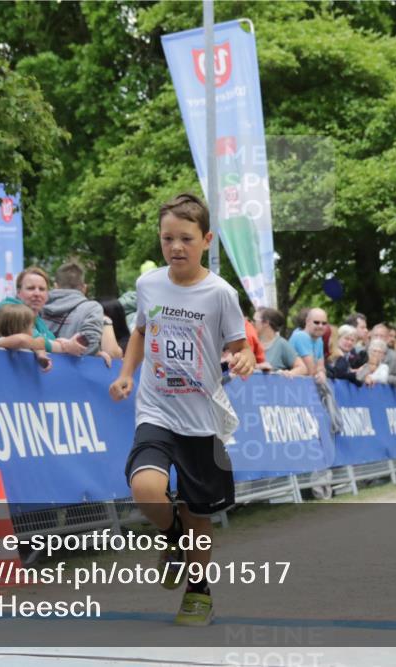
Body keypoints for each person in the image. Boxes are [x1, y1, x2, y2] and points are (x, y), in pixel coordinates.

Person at [108, 193, 254, 627]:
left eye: (186, 239)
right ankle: (173, 538)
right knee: (146, 489)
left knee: (198, 512)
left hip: (201, 418)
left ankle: (198, 591)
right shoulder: (149, 284)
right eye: (168, 238)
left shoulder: (221, 294)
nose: (176, 247)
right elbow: (139, 331)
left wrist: (242, 358)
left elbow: (239, 346)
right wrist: (127, 373)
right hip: (156, 409)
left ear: (206, 239)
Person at [0, 267, 84, 355]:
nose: (37, 293)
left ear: (47, 295)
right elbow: (32, 339)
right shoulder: (5, 309)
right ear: (18, 292)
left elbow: (48, 341)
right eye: (31, 288)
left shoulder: (40, 322)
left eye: (42, 289)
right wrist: (65, 347)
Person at [41, 260, 105, 355]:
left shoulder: (38, 303)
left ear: (55, 286)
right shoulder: (92, 308)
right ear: (84, 288)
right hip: (75, 367)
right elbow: (89, 346)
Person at [0, 302, 51, 372]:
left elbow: (33, 343)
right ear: (19, 328)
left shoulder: (24, 344)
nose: (33, 330)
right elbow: (22, 339)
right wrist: (38, 344)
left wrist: (41, 354)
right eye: (31, 327)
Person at [254, 307, 305, 374]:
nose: (251, 323)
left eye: (254, 320)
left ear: (266, 323)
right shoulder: (251, 342)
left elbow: (302, 368)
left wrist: (287, 374)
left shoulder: (281, 344)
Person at [290, 307, 328, 383]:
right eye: (316, 322)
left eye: (324, 323)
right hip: (291, 382)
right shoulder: (301, 336)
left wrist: (321, 372)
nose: (320, 326)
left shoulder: (319, 339)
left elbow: (321, 367)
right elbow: (311, 371)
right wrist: (320, 372)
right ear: (307, 321)